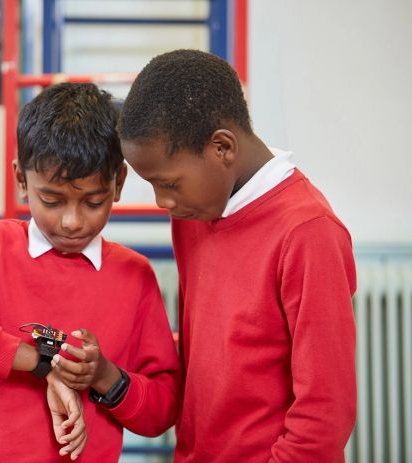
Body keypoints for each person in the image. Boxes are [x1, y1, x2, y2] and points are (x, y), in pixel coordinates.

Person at [0, 82, 179, 462]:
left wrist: (104, 376)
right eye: (51, 200)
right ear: (22, 180)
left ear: (118, 183)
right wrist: (39, 364)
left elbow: (162, 410)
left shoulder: (135, 276)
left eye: (93, 201)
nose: (71, 221)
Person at [118, 49, 357, 462]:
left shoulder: (308, 233)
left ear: (222, 147)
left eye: (169, 183)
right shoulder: (194, 213)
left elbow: (324, 413)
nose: (162, 201)